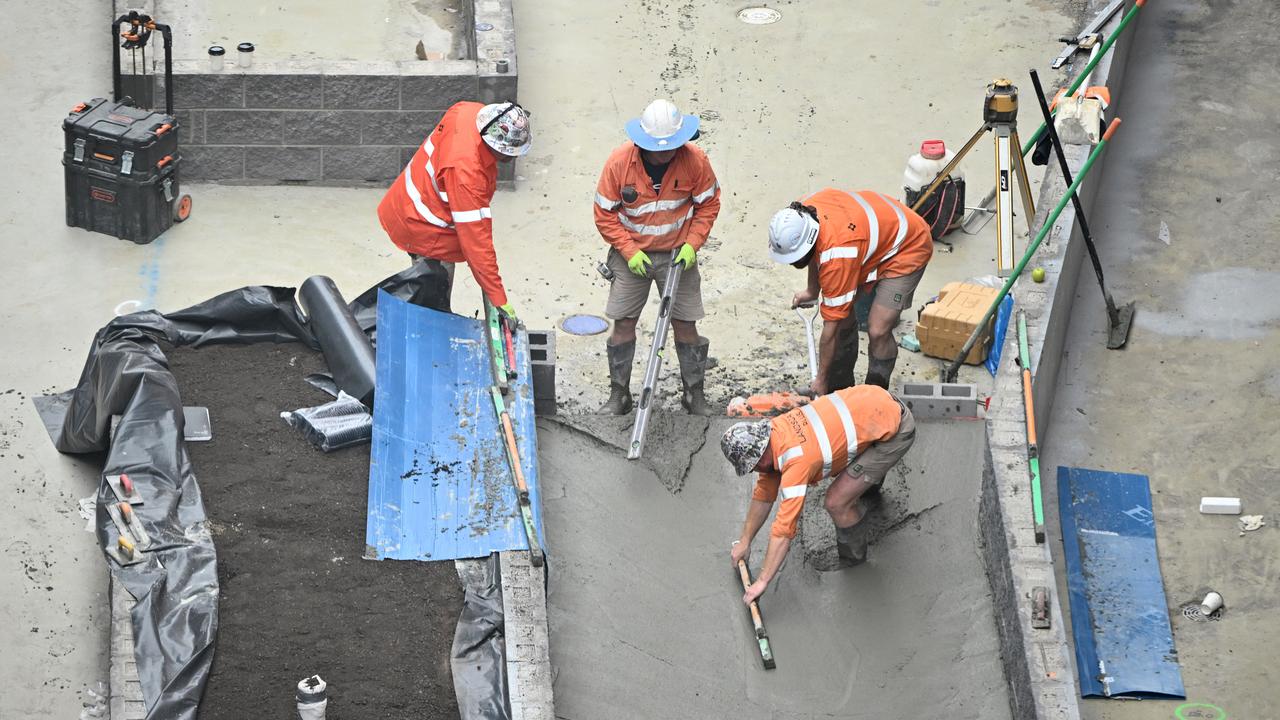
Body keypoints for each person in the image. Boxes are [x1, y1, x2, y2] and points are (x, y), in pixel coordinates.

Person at [721, 384, 916, 605]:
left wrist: (762, 581)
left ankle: (855, 561)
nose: (755, 471)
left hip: (895, 430)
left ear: (760, 454)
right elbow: (764, 494)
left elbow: (784, 530)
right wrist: (745, 541)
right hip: (874, 403)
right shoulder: (773, 434)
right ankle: (867, 485)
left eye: (753, 466)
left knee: (837, 502)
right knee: (853, 479)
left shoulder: (796, 460)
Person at [593, 99, 721, 416]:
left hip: (679, 254)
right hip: (631, 255)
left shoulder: (696, 161)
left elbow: (708, 205)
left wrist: (692, 244)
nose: (666, 153)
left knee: (685, 324)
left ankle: (694, 395)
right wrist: (629, 251)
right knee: (623, 322)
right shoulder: (619, 163)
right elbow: (604, 214)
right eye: (659, 147)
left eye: (673, 146)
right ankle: (619, 395)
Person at [767, 189, 933, 392]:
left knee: (878, 329)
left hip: (908, 246)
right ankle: (841, 388)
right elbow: (814, 251)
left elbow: (831, 330)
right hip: (871, 233)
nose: (792, 263)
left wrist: (820, 380)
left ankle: (874, 393)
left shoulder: (837, 256)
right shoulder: (802, 211)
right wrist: (812, 290)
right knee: (843, 316)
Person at [378, 101, 531, 315]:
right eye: (512, 152)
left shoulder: (468, 112)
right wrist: (498, 299)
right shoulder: (466, 175)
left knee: (429, 287)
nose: (514, 157)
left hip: (409, 201)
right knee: (434, 298)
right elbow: (476, 242)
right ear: (497, 147)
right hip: (424, 227)